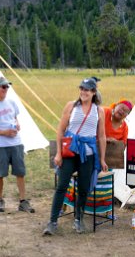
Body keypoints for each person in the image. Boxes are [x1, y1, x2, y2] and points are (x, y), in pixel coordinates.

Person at [43, 77, 108, 236]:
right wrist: (58, 153)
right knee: (62, 186)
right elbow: (60, 130)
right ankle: (52, 221)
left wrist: (102, 159)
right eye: (81, 88)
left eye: (87, 89)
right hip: (70, 152)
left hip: (88, 153)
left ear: (93, 92)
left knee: (84, 188)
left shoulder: (99, 111)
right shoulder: (71, 106)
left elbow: (101, 136)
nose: (83, 92)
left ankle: (78, 219)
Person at [0, 76, 32, 213]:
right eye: (3, 87)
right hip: (0, 145)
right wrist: (4, 132)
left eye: (7, 87)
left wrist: (17, 125)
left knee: (20, 172)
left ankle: (22, 201)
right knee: (0, 173)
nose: (6, 89)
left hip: (16, 142)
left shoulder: (12, 102)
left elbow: (15, 118)